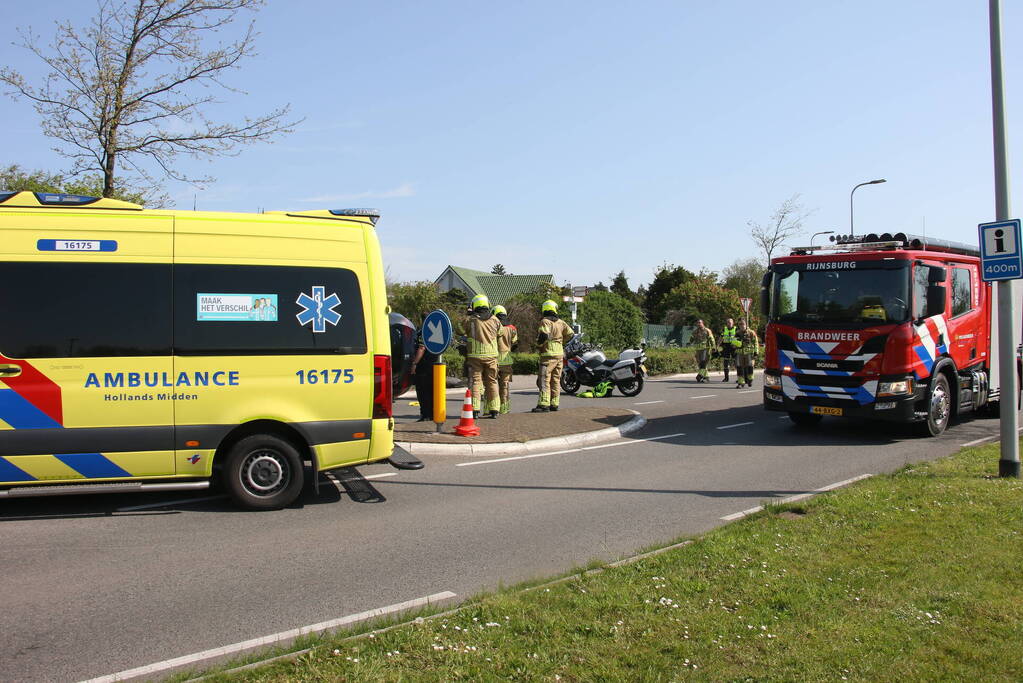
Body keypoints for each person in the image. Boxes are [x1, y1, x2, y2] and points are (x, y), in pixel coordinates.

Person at [462, 294, 502, 418]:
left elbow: (459, 329)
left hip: (475, 356)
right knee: (492, 381)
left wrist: (468, 314)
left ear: (474, 306)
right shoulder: (495, 319)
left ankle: (475, 410)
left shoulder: (471, 320)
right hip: (492, 356)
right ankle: (495, 410)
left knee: (476, 382)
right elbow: (500, 332)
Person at [533, 299, 573, 413]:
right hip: (559, 354)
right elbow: (570, 334)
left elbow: (543, 336)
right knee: (555, 379)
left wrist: (538, 345)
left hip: (548, 354)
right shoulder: (561, 322)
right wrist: (560, 342)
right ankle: (554, 404)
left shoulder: (545, 321)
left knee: (544, 379)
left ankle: (543, 404)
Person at [410, 318, 440, 421]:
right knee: (432, 391)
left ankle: (426, 415)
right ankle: (432, 414)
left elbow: (421, 348)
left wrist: (414, 364)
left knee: (423, 391)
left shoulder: (425, 330)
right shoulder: (438, 329)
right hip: (435, 365)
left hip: (424, 365)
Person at [493, 305, 518, 414]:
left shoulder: (493, 326)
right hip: (507, 359)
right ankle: (505, 408)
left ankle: (494, 408)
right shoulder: (512, 328)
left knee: (492, 384)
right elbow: (515, 344)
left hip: (494, 358)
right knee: (505, 385)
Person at [734, 319, 760, 388]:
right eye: (740, 324)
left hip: (749, 353)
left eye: (743, 324)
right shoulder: (737, 333)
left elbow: (755, 342)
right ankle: (741, 382)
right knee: (739, 367)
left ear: (746, 325)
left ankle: (750, 379)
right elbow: (733, 343)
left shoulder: (751, 332)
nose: (742, 326)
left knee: (750, 366)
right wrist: (739, 343)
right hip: (740, 353)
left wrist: (756, 352)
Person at [691, 319, 715, 383]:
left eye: (700, 322)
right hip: (698, 349)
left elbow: (711, 339)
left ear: (703, 323)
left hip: (705, 349)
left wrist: (713, 347)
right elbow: (692, 338)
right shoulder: (695, 331)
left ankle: (703, 376)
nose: (699, 324)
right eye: (697, 323)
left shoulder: (707, 330)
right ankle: (705, 377)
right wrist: (689, 342)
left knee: (703, 362)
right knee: (700, 364)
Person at [719, 317, 737, 382]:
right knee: (726, 362)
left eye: (730, 322)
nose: (729, 323)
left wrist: (737, 345)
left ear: (733, 323)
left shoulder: (736, 329)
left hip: (734, 347)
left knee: (736, 363)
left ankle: (739, 378)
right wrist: (717, 345)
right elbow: (721, 337)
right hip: (726, 347)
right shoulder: (725, 329)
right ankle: (726, 378)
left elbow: (739, 338)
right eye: (728, 322)